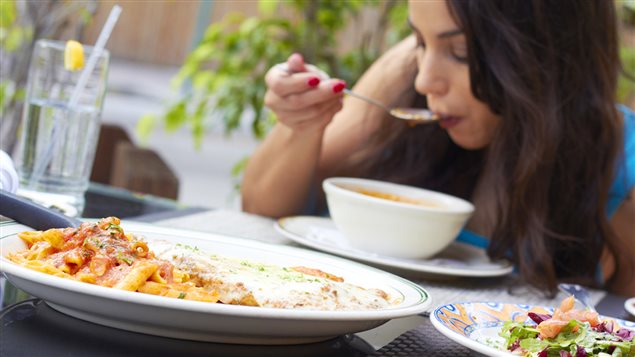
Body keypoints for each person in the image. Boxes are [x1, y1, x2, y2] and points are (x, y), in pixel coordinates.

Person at [241, 0, 635, 296]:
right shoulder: (405, 74)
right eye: (419, 40)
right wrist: (301, 126)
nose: (426, 80)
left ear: (549, 52)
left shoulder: (618, 159)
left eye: (460, 53)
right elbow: (261, 209)